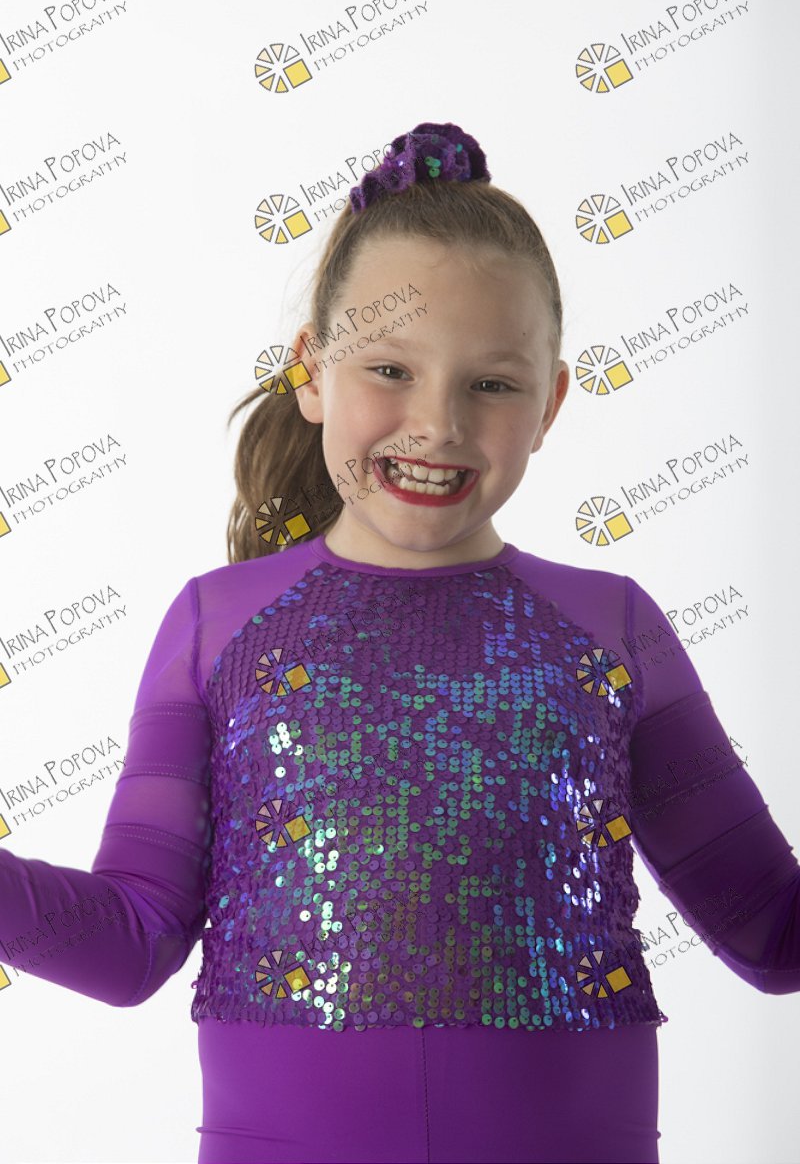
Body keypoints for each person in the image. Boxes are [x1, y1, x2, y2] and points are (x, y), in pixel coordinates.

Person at [1, 121, 798, 1164]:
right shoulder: (217, 625)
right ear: (312, 372)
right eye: (389, 368)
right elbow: (130, 940)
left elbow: (771, 929)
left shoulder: (612, 627)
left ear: (551, 402)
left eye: (492, 383)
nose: (437, 423)